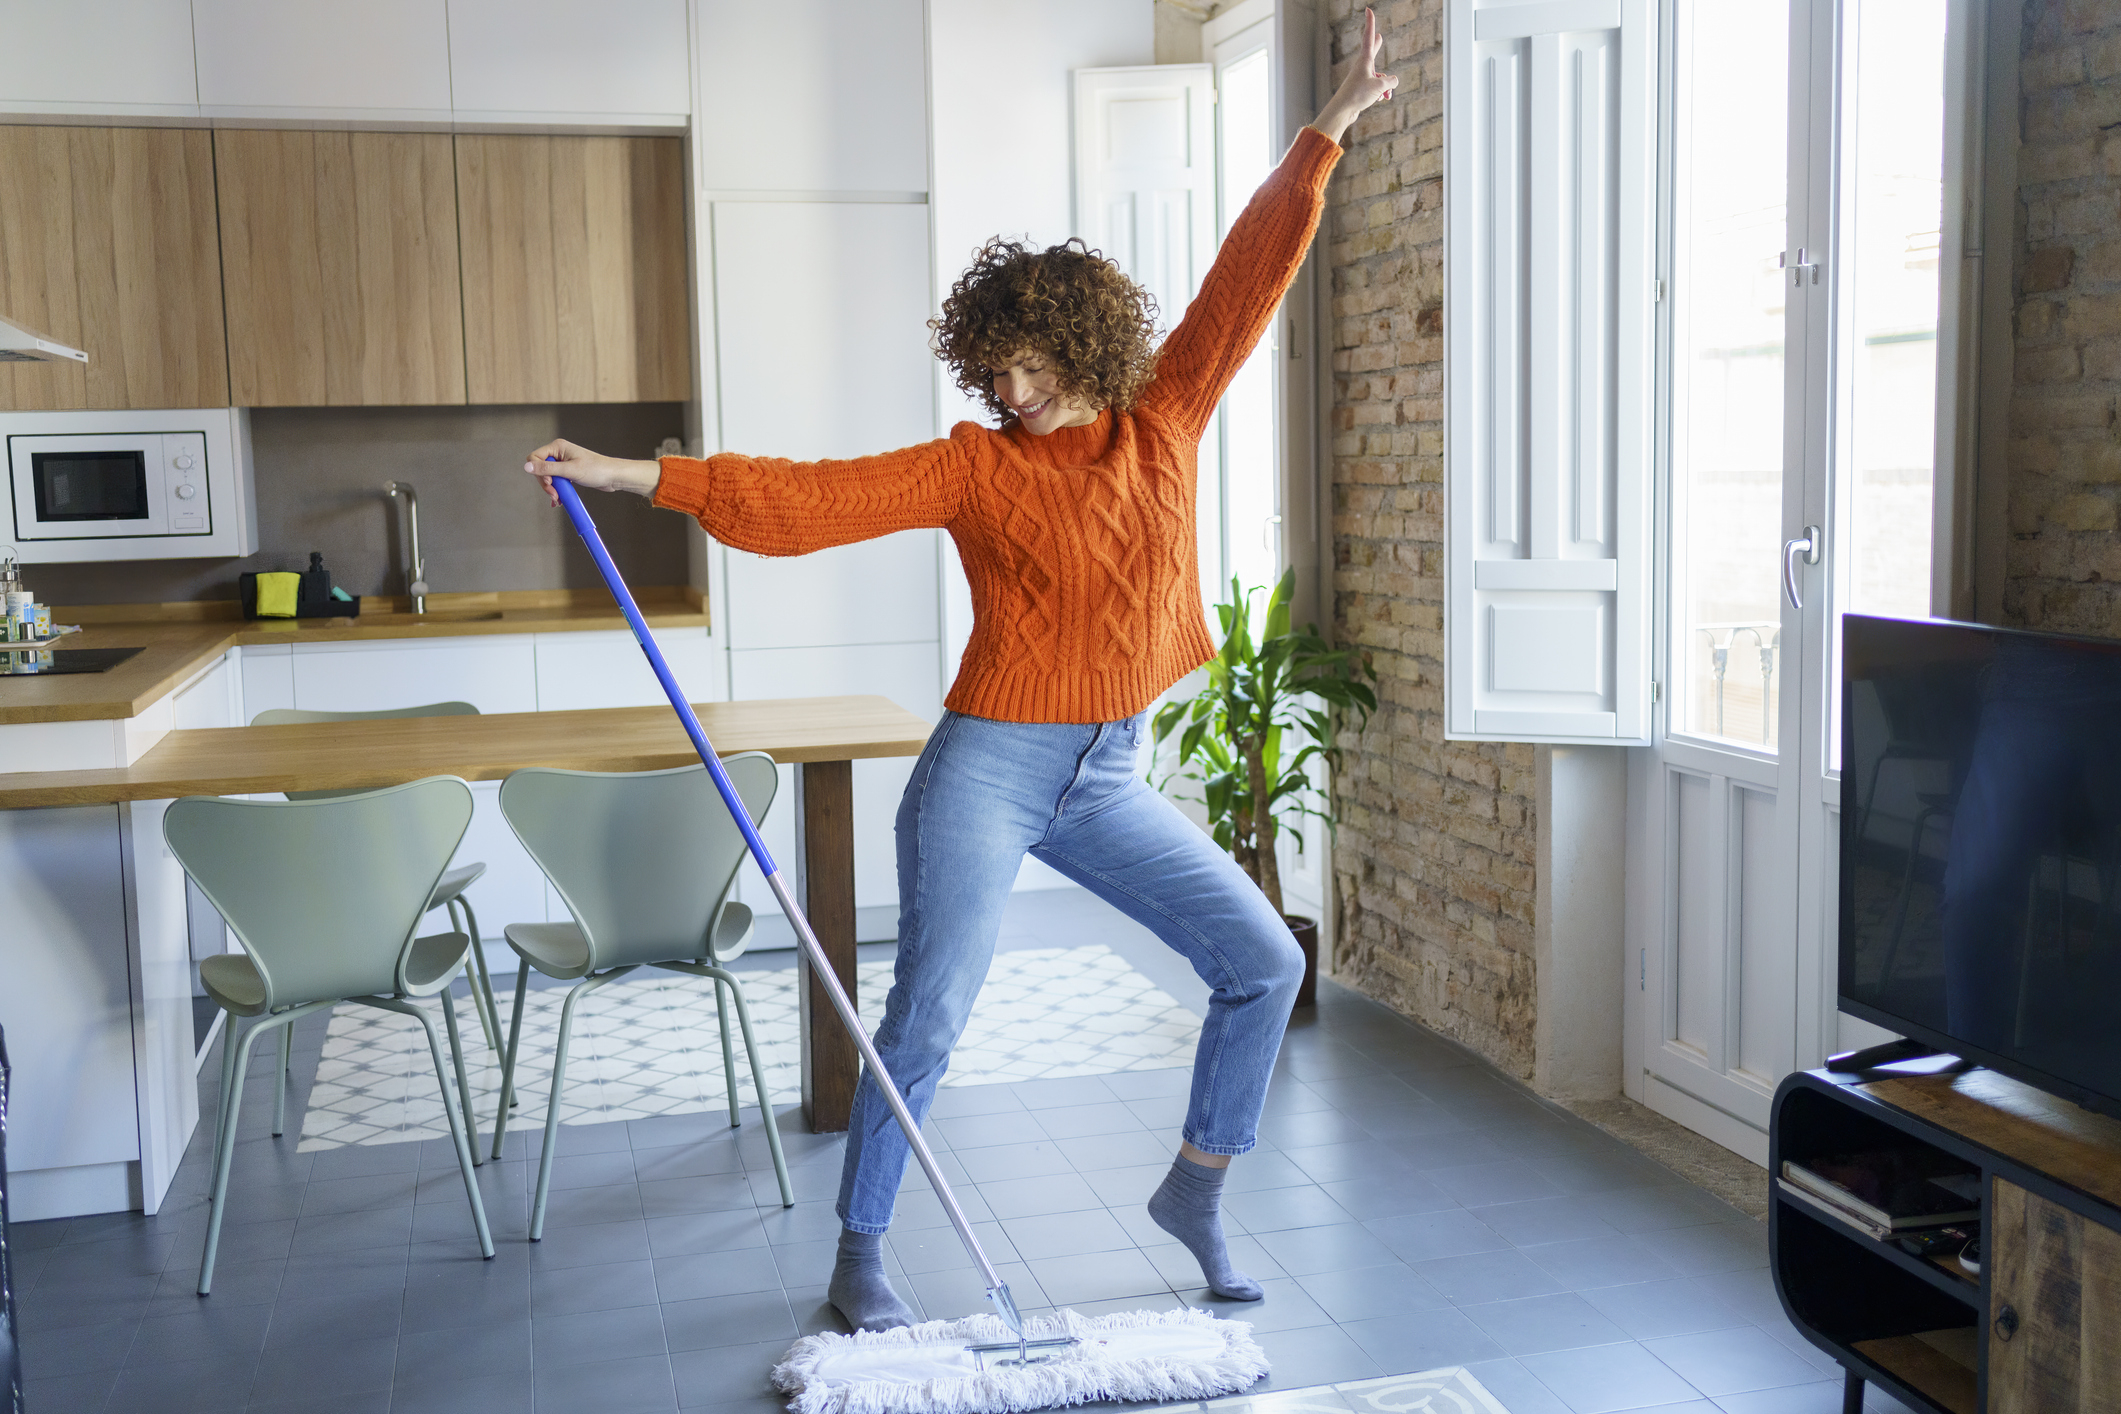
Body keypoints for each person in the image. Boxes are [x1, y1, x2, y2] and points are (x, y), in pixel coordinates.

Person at [526, 11, 1398, 1331]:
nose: (1008, 383)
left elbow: (1243, 278)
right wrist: (639, 475)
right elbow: (813, 497)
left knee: (1261, 964)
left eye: (1030, 359)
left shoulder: (1164, 416)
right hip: (986, 769)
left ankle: (1196, 1191)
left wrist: (1321, 131)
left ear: (1083, 345)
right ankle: (861, 1247)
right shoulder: (974, 465)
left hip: (1103, 772)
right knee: (928, 1019)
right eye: (991, 364)